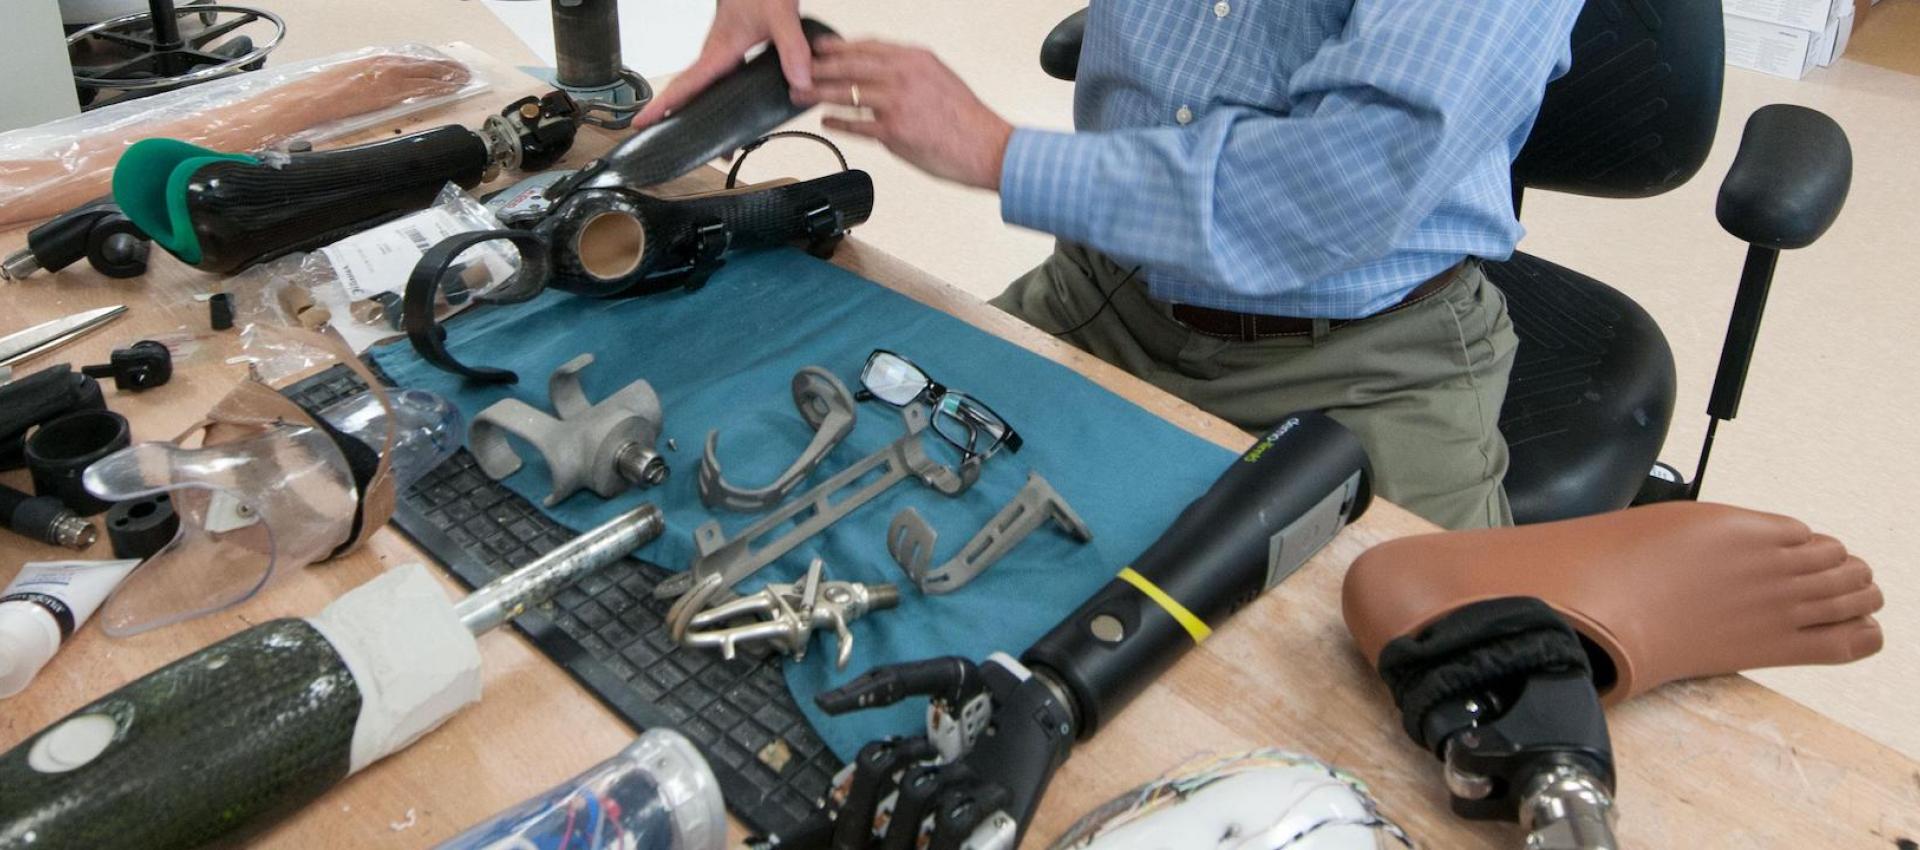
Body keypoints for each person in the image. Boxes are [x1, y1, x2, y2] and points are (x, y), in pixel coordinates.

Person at [635, 0, 1586, 530]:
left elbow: (1335, 184)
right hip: (1110, 291)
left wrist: (996, 152)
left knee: (1420, 711)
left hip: (1367, 363)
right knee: (834, 498)